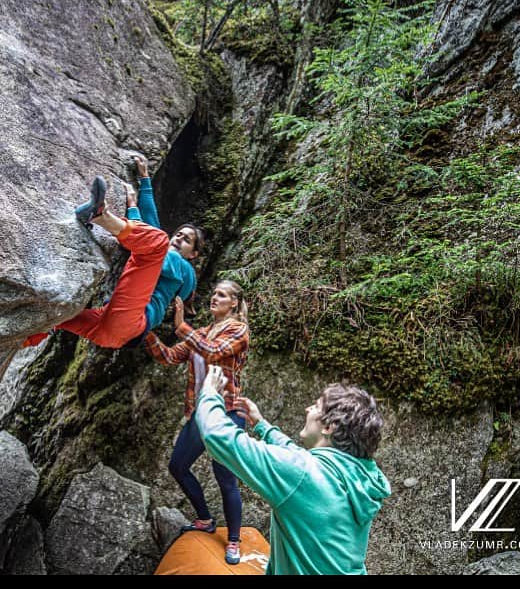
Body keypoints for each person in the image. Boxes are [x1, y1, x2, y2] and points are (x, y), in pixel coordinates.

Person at [195, 366, 391, 575]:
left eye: (316, 407)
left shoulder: (303, 474)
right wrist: (262, 426)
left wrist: (208, 393)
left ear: (329, 427)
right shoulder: (359, 477)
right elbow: (302, 462)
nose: (308, 409)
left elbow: (217, 436)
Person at [24, 156, 204, 349]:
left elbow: (157, 243)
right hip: (110, 326)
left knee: (157, 241)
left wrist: (134, 211)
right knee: (55, 317)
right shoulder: (160, 256)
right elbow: (151, 229)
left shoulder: (185, 270)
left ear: (193, 255)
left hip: (131, 321)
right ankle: (18, 342)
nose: (178, 239)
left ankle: (100, 216)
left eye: (187, 240)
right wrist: (144, 181)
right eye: (178, 235)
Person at [144, 280, 250, 566]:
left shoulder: (238, 330)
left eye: (222, 295)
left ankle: (234, 541)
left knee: (225, 477)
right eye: (214, 293)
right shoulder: (201, 333)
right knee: (177, 466)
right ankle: (205, 519)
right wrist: (145, 332)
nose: (215, 297)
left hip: (226, 413)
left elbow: (213, 351)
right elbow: (167, 356)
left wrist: (180, 325)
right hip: (200, 413)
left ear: (235, 304)